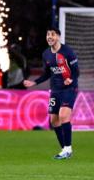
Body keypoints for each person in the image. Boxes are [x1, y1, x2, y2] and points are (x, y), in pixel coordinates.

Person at [24, 27, 79, 159]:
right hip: (55, 90)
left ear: (58, 36)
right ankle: (64, 149)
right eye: (48, 34)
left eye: (52, 34)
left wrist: (70, 79)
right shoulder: (46, 54)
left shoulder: (68, 52)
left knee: (63, 115)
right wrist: (34, 82)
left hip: (69, 89)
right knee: (54, 121)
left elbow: (76, 71)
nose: (49, 37)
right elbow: (47, 73)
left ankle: (68, 149)